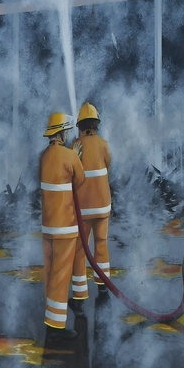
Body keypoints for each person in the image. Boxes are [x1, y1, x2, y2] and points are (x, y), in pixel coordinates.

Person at [38, 111, 87, 333]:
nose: (68, 134)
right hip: (65, 227)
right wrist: (76, 157)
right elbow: (80, 179)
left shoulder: (43, 156)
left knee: (50, 274)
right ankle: (57, 328)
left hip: (47, 226)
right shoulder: (69, 156)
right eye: (66, 131)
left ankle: (50, 319)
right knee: (60, 275)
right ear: (61, 133)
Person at [74, 102, 115, 289]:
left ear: (80, 125)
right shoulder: (104, 144)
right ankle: (103, 286)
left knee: (81, 248)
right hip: (102, 205)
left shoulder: (75, 146)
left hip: (83, 207)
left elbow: (71, 173)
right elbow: (107, 166)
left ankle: (80, 291)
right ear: (96, 124)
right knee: (101, 244)